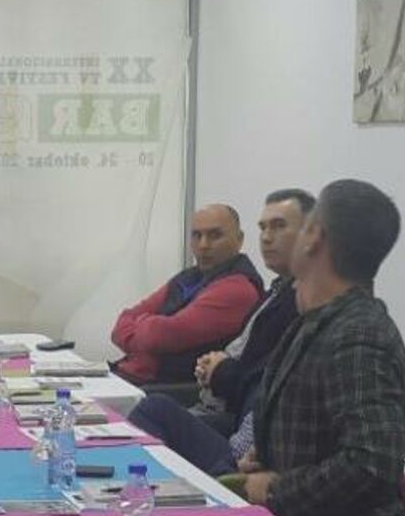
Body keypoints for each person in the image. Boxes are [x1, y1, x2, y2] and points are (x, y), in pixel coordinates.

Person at [240, 179, 405, 516]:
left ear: (314, 237)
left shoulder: (357, 336)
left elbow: (373, 464)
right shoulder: (320, 322)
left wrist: (276, 488)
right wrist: (271, 453)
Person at [128, 189, 312, 472]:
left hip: (246, 444)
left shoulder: (250, 291)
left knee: (152, 409)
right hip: (226, 414)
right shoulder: (273, 291)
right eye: (263, 228)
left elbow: (161, 336)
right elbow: (124, 322)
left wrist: (221, 370)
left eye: (278, 227)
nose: (267, 237)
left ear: (312, 235)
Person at [111, 204, 263, 384]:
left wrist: (142, 324)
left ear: (239, 239)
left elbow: (161, 336)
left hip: (166, 388)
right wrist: (148, 327)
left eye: (215, 235)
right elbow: (121, 325)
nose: (203, 245)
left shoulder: (237, 289)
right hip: (132, 377)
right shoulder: (189, 277)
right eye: (197, 235)